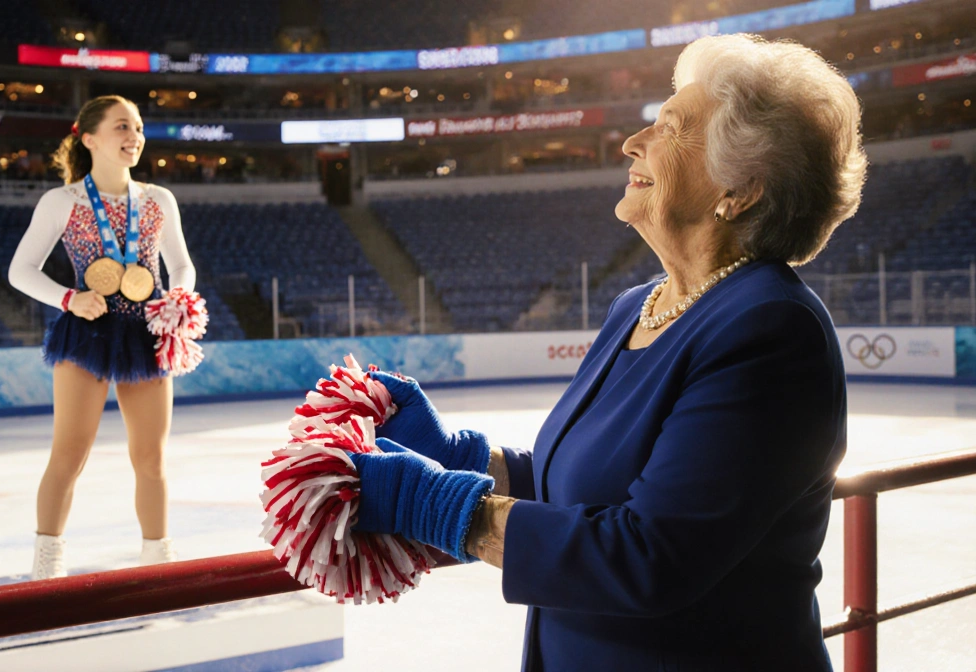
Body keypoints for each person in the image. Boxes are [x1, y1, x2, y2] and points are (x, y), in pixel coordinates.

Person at [350, 34, 866, 671]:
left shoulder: (770, 330)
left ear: (740, 189)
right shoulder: (639, 304)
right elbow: (584, 487)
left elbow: (649, 556)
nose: (632, 142)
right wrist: (460, 457)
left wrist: (442, 504)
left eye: (671, 128)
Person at [8, 95, 196, 580]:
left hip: (147, 334)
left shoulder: (158, 200)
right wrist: (69, 300)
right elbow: (19, 271)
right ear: (89, 138)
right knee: (69, 453)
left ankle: (158, 559)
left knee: (151, 458)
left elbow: (180, 264)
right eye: (121, 127)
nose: (133, 136)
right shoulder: (63, 201)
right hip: (87, 332)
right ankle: (46, 563)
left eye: (136, 127)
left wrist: (178, 298)